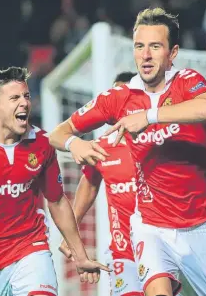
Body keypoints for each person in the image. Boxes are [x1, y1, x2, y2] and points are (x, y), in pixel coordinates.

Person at [49, 8, 206, 296]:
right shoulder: (118, 97)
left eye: (155, 47)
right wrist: (75, 143)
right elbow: (58, 133)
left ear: (172, 53)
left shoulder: (187, 82)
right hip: (151, 225)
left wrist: (150, 116)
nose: (145, 55)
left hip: (203, 225)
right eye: (139, 46)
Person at [0, 67, 110, 296]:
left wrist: (80, 255)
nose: (24, 103)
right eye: (14, 98)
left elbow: (57, 201)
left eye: (26, 96)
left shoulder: (42, 143)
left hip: (29, 246)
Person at [59, 72, 144, 296]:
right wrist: (72, 231)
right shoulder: (100, 148)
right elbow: (89, 183)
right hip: (123, 252)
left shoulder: (160, 140)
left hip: (164, 245)